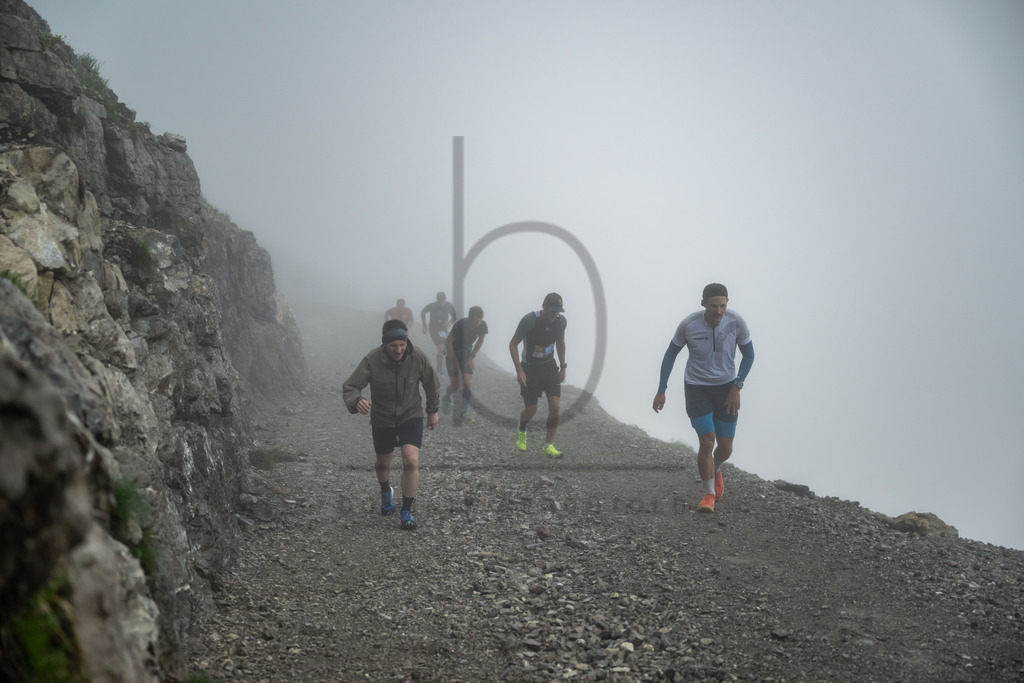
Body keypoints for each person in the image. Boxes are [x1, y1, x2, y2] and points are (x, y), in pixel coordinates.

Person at [652, 283, 754, 513]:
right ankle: (708, 495)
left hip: (727, 388)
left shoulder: (736, 322)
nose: (718, 311)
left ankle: (715, 469)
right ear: (703, 304)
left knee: (726, 447)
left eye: (723, 306)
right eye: (713, 306)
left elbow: (749, 355)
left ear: (727, 303)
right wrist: (661, 389)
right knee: (707, 441)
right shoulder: (689, 325)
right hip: (697, 388)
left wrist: (737, 385)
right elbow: (670, 355)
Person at [343, 319, 440, 530]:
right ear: (384, 345)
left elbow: (432, 384)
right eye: (393, 346)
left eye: (402, 345)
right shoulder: (372, 360)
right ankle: (386, 491)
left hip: (411, 414)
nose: (398, 350)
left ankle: (406, 510)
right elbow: (351, 386)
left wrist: (433, 410)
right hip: (383, 418)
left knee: (411, 461)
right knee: (382, 464)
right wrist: (356, 401)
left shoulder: (418, 357)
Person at [509, 293, 567, 458]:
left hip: (549, 367)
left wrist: (563, 367)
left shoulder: (561, 322)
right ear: (544, 306)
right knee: (531, 410)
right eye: (553, 310)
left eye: (559, 311)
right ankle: (522, 430)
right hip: (530, 369)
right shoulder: (529, 320)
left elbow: (560, 343)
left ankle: (548, 445)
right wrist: (519, 370)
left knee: (555, 407)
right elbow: (513, 344)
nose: (556, 314)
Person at [443, 306, 488, 423]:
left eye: (480, 320)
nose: (478, 323)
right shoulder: (461, 324)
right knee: (455, 386)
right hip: (452, 352)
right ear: (470, 318)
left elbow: (481, 340)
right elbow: (448, 342)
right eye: (476, 321)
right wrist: (454, 360)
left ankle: (464, 412)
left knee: (467, 384)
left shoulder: (482, 325)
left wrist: (472, 356)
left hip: (466, 354)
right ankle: (446, 398)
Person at [420, 291, 458, 374]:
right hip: (433, 329)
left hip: (443, 329)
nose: (441, 303)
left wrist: (450, 322)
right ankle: (439, 369)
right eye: (439, 301)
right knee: (440, 347)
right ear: (437, 300)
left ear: (445, 299)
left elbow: (455, 316)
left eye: (443, 301)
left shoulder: (448, 305)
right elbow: (423, 311)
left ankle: (446, 361)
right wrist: (424, 326)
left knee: (446, 346)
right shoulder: (432, 306)